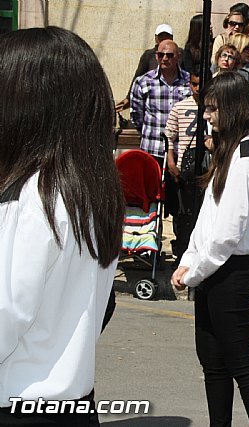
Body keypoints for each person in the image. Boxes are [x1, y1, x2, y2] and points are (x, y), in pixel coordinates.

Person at [0, 26, 125, 425]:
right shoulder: (92, 187)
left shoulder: (37, 195)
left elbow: (7, 312)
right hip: (72, 401)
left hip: (20, 400)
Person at [171, 72, 249, 427]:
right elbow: (209, 216)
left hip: (235, 270)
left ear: (230, 108)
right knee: (212, 361)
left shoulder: (247, 154)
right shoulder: (231, 152)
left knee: (240, 363)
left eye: (212, 108)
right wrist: (188, 261)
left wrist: (195, 272)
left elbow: (230, 231)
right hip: (215, 269)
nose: (206, 117)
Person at [164, 70, 203, 267]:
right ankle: (181, 253)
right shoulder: (180, 107)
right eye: (194, 84)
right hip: (183, 166)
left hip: (205, 166)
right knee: (182, 214)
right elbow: (169, 136)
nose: (198, 89)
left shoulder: (213, 106)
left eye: (201, 84)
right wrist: (171, 162)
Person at [130, 39, 191, 160]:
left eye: (169, 55)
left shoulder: (189, 81)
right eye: (160, 55)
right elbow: (137, 115)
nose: (164, 58)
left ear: (178, 57)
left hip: (180, 151)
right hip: (152, 148)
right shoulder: (143, 81)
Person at [116, 23, 176, 111]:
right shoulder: (148, 55)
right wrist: (129, 98)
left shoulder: (179, 54)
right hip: (152, 100)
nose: (164, 39)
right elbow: (138, 76)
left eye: (167, 36)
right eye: (161, 36)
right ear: (156, 38)